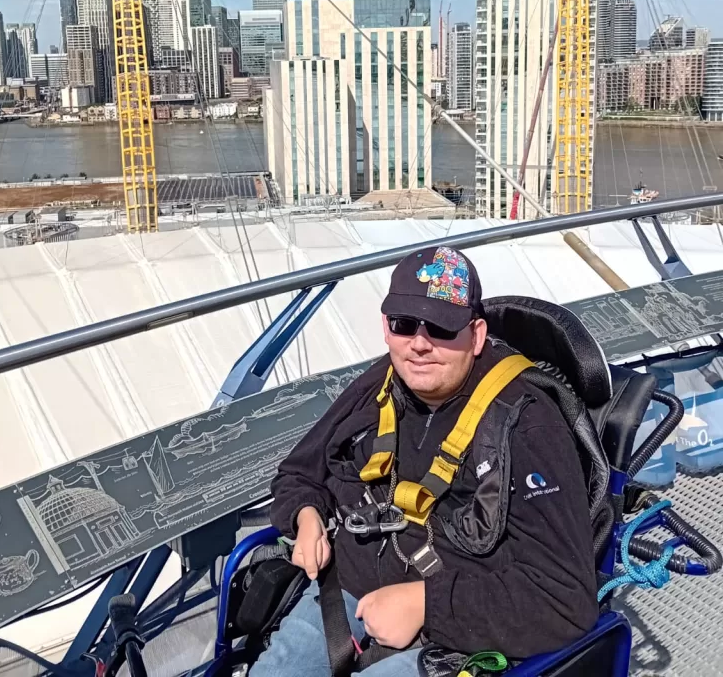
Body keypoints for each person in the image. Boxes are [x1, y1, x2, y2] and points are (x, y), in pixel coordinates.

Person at [251, 247, 598, 676]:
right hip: (345, 594)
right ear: (385, 327)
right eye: (403, 324)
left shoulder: (526, 425)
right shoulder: (381, 382)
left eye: (441, 327)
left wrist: (426, 605)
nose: (419, 343)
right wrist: (305, 516)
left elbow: (566, 601)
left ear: (475, 335)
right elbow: (299, 472)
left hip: (454, 634)